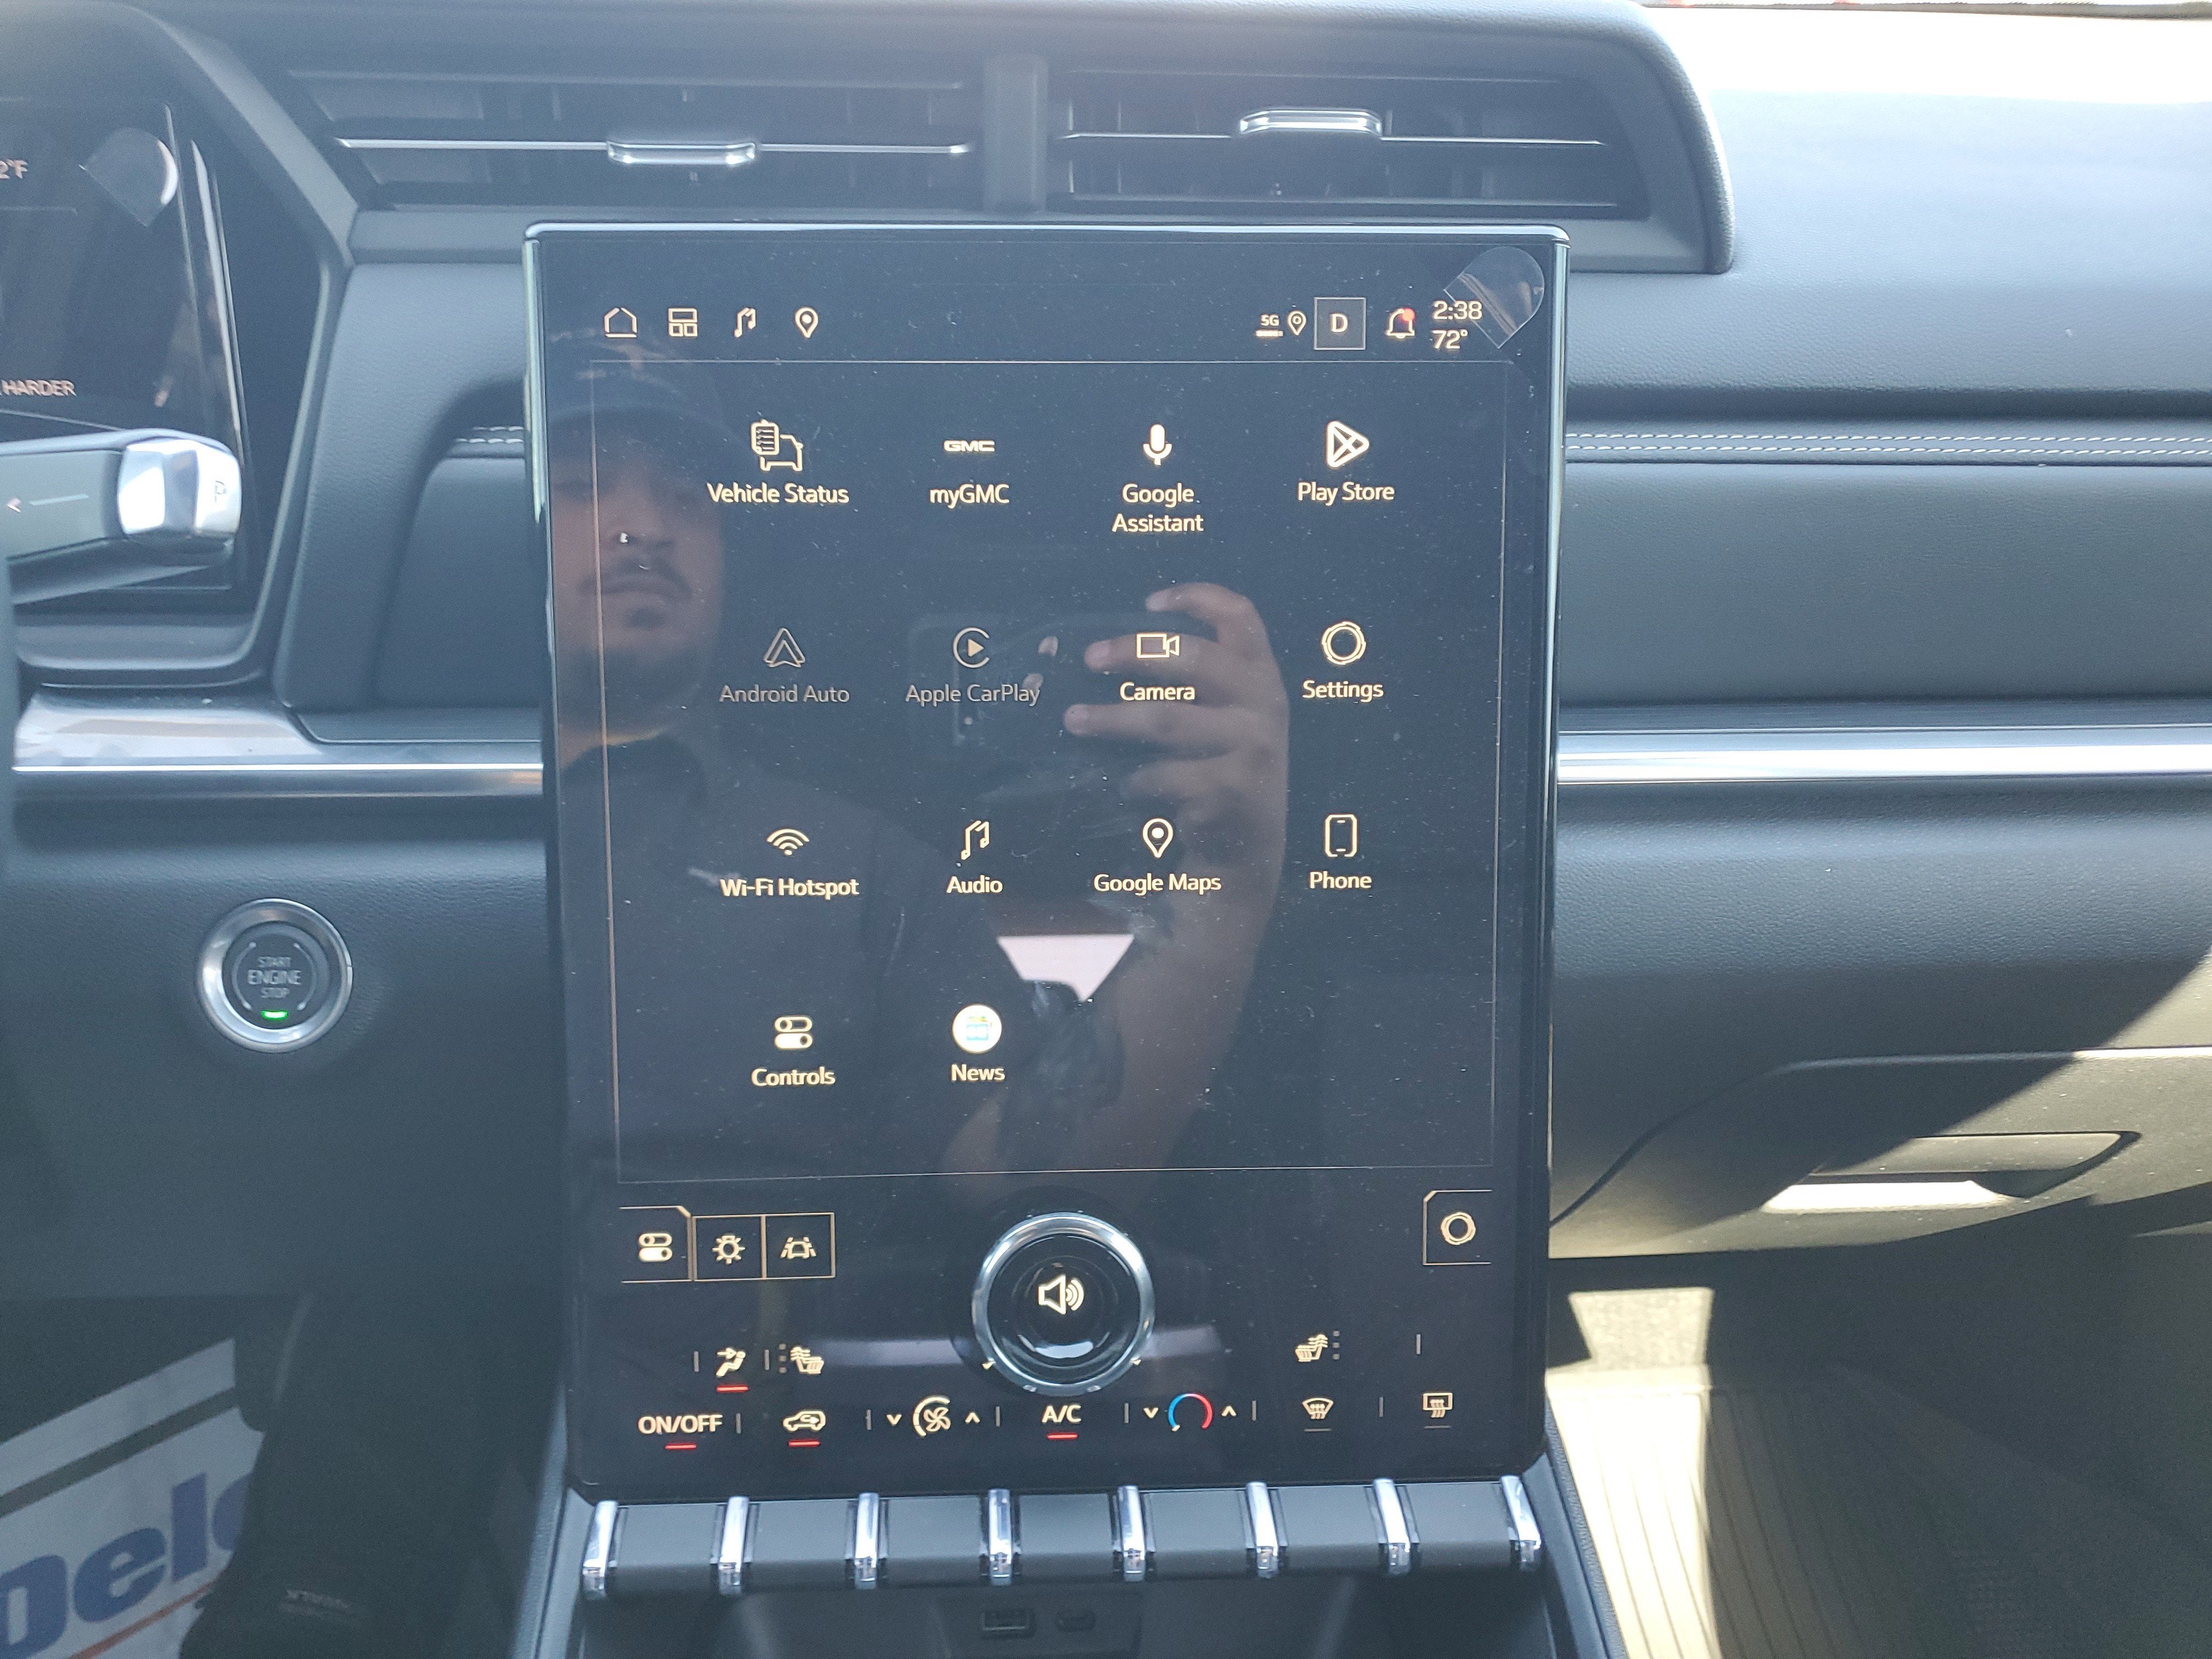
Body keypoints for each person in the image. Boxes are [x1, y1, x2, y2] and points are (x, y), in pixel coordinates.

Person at [549, 366, 1289, 1184]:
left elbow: (1027, 1170)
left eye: (687, 498)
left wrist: (1229, 880)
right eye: (581, 485)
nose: (647, 526)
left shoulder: (858, 866)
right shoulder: (452, 799)